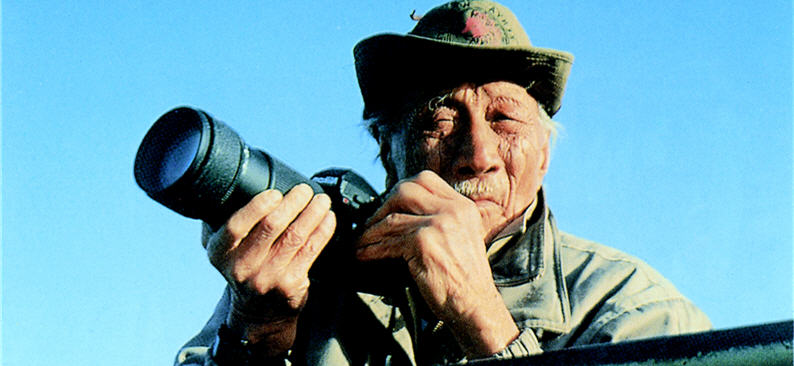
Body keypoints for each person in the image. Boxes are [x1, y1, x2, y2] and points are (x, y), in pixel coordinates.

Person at [175, 1, 712, 365]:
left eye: (504, 119)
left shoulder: (631, 309)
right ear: (388, 151)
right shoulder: (299, 282)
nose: (477, 156)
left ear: (543, 154)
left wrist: (483, 320)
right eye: (439, 119)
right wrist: (259, 335)